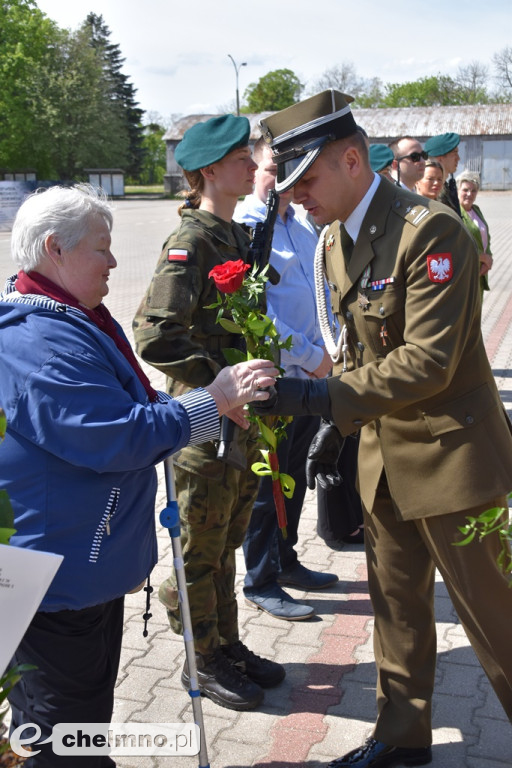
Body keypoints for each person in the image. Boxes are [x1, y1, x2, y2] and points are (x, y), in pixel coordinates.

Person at [254, 89, 512, 768]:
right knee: (397, 611)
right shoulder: (335, 236)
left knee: (498, 617)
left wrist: (315, 401)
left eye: (306, 179)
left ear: (349, 159)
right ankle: (401, 739)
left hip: (455, 464)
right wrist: (338, 433)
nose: (297, 195)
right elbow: (358, 347)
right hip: (383, 460)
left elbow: (427, 362)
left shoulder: (431, 231)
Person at [0, 184, 278, 767]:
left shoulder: (67, 319)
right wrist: (212, 400)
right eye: (102, 248)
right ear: (55, 249)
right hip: (53, 579)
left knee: (76, 727)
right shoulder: (39, 340)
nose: (115, 262)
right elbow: (113, 435)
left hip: (75, 568)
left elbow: (122, 400)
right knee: (63, 742)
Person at [132, 114, 286, 712]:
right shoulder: (193, 241)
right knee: (197, 550)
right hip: (205, 425)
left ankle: (225, 644)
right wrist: (218, 389)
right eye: (240, 158)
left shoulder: (234, 236)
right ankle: (201, 660)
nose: (252, 165)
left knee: (226, 545)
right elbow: (154, 334)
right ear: (210, 171)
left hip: (239, 423)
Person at [234, 137, 338, 622]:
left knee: (294, 474)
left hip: (310, 377)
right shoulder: (248, 228)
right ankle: (260, 579)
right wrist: (312, 354)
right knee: (266, 483)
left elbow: (318, 294)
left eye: (292, 167)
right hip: (276, 379)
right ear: (255, 168)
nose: (284, 177)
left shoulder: (299, 223)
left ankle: (287, 557)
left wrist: (330, 349)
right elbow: (259, 314)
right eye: (275, 166)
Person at [456, 170, 493, 300]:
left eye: (473, 191)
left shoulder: (476, 210)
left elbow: (485, 237)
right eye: (465, 190)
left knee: (477, 314)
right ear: (457, 190)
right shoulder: (455, 213)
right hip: (466, 274)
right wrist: (482, 257)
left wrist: (488, 260)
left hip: (480, 273)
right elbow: (458, 245)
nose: (469, 194)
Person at [424, 132, 462, 215]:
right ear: (440, 158)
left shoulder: (446, 188)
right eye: (455, 153)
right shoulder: (430, 191)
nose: (458, 158)